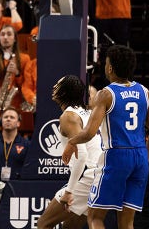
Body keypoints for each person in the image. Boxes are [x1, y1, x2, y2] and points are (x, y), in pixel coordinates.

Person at [62, 45, 149, 229]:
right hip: (139, 157)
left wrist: (72, 142)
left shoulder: (106, 94)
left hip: (116, 156)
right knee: (127, 222)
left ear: (110, 68)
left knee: (95, 217)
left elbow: (89, 133)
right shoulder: (145, 92)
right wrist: (145, 157)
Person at [37, 75, 103, 229]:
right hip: (101, 176)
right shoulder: (88, 112)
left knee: (43, 224)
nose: (54, 86)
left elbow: (82, 156)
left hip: (88, 176)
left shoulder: (68, 116)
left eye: (58, 84)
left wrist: (69, 191)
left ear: (65, 92)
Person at [0, 107, 30, 181]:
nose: (8, 119)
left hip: (18, 187)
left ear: (18, 123)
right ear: (1, 121)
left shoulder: (27, 145)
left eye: (12, 117)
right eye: (5, 117)